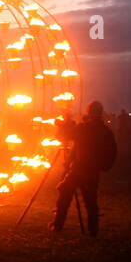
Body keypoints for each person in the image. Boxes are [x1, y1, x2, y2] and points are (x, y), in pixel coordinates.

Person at [51, 101, 117, 237]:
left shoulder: (84, 128)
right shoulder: (105, 131)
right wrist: (104, 166)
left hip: (79, 169)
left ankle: (57, 225)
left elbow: (62, 136)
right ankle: (93, 230)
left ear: (88, 112)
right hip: (93, 171)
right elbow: (112, 150)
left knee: (64, 193)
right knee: (91, 201)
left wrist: (66, 123)